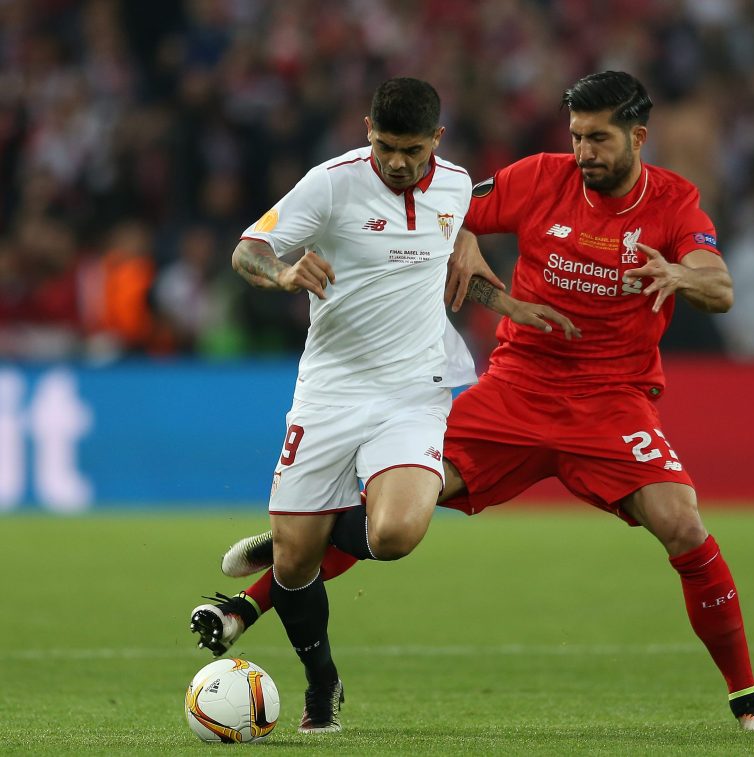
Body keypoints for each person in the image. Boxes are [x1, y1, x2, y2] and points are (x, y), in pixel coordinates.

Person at [193, 71, 754, 733]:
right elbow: (450, 206)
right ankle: (251, 600)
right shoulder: (541, 176)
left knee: (683, 523)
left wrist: (680, 273)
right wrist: (467, 241)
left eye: (599, 138)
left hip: (610, 399)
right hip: (515, 386)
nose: (584, 152)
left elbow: (720, 287)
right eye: (576, 137)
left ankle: (748, 699)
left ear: (638, 138)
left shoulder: (676, 203)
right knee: (401, 512)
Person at [201, 76, 578, 736]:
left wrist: (508, 304)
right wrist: (285, 274)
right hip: (329, 392)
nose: (397, 162)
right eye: (383, 146)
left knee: (397, 534)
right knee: (292, 567)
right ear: (366, 129)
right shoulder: (331, 183)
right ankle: (323, 681)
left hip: (413, 390)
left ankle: (323, 525)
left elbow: (455, 260)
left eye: (410, 149)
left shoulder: (456, 186)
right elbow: (247, 249)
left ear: (436, 138)